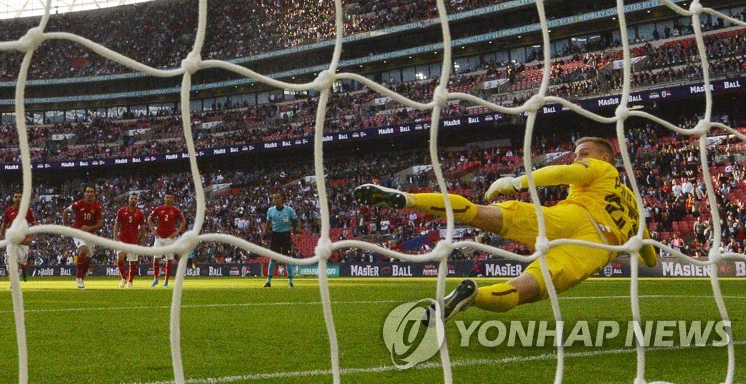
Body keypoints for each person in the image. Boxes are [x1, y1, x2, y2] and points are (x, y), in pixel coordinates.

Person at [354, 136, 660, 322]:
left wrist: (516, 182)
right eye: (576, 153)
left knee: (478, 214)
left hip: (566, 217)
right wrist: (648, 259)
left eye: (584, 153)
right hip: (594, 247)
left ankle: (409, 199)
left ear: (606, 157)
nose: (577, 157)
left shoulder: (602, 168)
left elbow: (564, 171)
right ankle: (474, 295)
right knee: (525, 288)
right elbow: (648, 254)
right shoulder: (634, 205)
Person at [63, 186, 102, 289]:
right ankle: (78, 278)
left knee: (88, 259)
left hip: (90, 234)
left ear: (94, 194)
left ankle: (82, 277)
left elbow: (100, 224)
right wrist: (66, 227)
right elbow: (65, 211)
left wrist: (89, 228)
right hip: (78, 232)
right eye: (87, 191)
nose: (89, 193)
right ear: (85, 193)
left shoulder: (97, 206)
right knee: (83, 250)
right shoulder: (78, 204)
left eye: (91, 192)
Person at [147, 193, 187, 288]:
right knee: (156, 258)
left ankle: (166, 281)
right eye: (166, 197)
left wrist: (177, 232)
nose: (168, 199)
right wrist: (153, 230)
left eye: (169, 197)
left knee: (169, 259)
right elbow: (149, 218)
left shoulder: (175, 210)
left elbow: (183, 221)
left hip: (170, 238)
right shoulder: (159, 208)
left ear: (172, 199)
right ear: (164, 198)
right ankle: (156, 279)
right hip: (159, 237)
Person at [0, 192, 37, 285]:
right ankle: (13, 283)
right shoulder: (8, 210)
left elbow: (34, 224)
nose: (18, 198)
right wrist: (0, 237)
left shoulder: (27, 210)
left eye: (20, 197)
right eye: (16, 197)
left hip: (23, 240)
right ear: (13, 199)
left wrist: (30, 237)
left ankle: (24, 270)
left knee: (23, 262)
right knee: (10, 261)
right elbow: (4, 224)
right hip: (12, 239)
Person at [262, 192, 299, 288]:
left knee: (287, 258)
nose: (276, 200)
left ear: (282, 199)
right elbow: (268, 223)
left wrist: (297, 232)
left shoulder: (289, 210)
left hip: (286, 235)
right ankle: (268, 281)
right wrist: (265, 233)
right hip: (275, 236)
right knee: (273, 258)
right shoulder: (270, 211)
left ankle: (290, 282)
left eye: (278, 198)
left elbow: (296, 221)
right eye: (274, 198)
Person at [114, 193, 145, 288]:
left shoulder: (140, 213)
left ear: (137, 201)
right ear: (128, 199)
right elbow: (117, 224)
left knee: (133, 262)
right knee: (120, 257)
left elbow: (142, 228)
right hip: (122, 239)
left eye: (135, 199)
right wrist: (115, 236)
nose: (133, 200)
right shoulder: (121, 211)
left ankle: (130, 281)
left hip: (133, 240)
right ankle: (124, 277)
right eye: (132, 198)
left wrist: (142, 240)